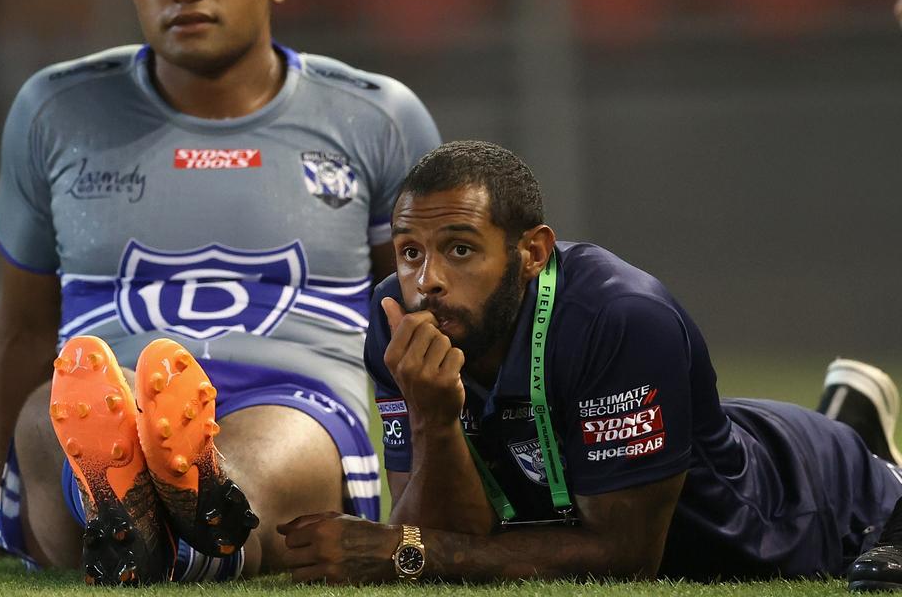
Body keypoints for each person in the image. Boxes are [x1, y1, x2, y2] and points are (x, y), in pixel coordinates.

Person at [0, 0, 440, 585]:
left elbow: (420, 323)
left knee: (262, 450)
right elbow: (24, 327)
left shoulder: (376, 118)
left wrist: (429, 496)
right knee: (51, 412)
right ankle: (164, 519)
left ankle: (160, 515)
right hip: (105, 387)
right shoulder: (57, 111)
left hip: (293, 394)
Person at [277, 140, 902, 589]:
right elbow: (447, 530)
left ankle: (859, 442)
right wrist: (434, 421)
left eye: (460, 250)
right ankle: (854, 414)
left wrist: (406, 555)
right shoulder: (394, 318)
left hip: (805, 501)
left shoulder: (622, 318)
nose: (427, 281)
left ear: (532, 253)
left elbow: (626, 560)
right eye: (410, 252)